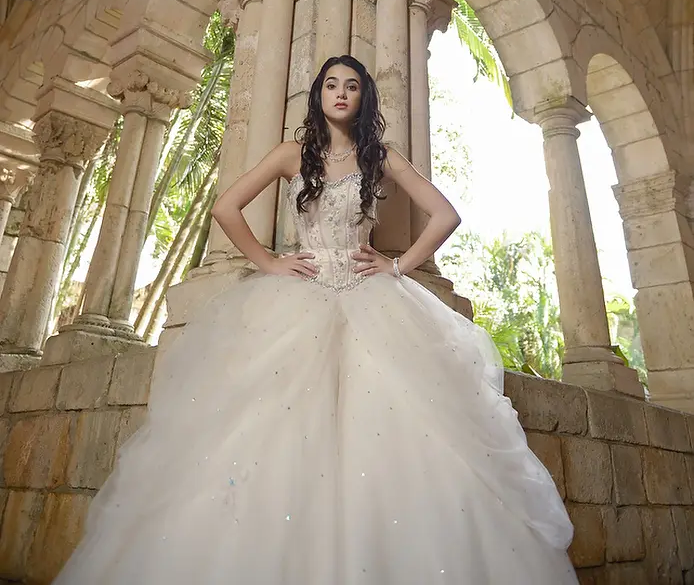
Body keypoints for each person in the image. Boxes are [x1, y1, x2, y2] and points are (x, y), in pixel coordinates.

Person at [54, 55, 578, 584]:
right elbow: (226, 206)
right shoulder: (292, 154)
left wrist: (397, 265)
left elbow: (446, 215)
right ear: (319, 94)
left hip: (371, 299)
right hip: (299, 298)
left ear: (363, 97)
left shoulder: (382, 157)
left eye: (352, 86)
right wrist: (270, 262)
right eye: (332, 84)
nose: (341, 93)